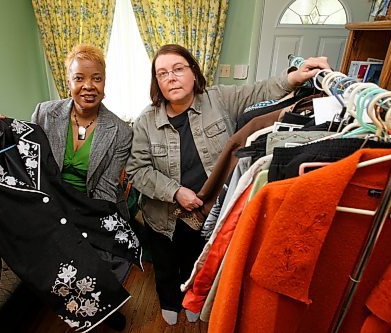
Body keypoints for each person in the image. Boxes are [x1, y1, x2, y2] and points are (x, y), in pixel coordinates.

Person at [125, 43, 330, 325]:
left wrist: (294, 76)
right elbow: (137, 170)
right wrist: (176, 192)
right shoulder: (146, 121)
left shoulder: (218, 99)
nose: (170, 77)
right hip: (164, 216)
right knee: (166, 264)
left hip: (207, 212)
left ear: (194, 73)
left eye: (178, 69)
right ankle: (170, 302)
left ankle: (193, 299)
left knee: (198, 261)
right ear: (156, 82)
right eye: (162, 73)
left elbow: (260, 90)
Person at [31, 44, 132, 330]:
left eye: (96, 78)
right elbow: (31, 165)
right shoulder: (44, 113)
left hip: (96, 206)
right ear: (69, 81)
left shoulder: (120, 130)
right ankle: (79, 306)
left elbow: (105, 188)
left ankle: (108, 306)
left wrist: (76, 225)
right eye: (80, 78)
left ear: (104, 81)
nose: (88, 86)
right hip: (50, 205)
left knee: (104, 258)